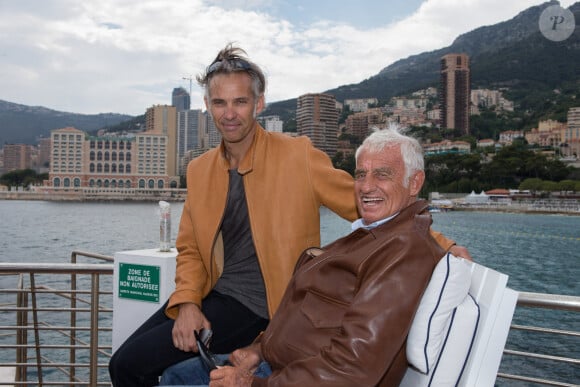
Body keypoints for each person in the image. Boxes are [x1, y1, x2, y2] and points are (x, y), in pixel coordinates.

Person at [109, 43, 466, 386]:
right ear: (207, 105)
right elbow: (190, 249)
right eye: (220, 102)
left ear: (259, 103)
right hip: (217, 297)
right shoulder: (200, 170)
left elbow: (368, 201)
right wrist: (187, 302)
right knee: (123, 364)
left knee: (140, 368)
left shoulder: (297, 155)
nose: (229, 113)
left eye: (240, 102)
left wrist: (440, 245)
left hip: (271, 308)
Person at [159, 126, 460, 386]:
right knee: (174, 376)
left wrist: (255, 384)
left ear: (415, 182)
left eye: (382, 175)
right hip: (277, 365)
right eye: (361, 174)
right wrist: (259, 351)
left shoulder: (402, 252)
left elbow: (352, 369)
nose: (367, 186)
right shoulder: (376, 234)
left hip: (287, 377)